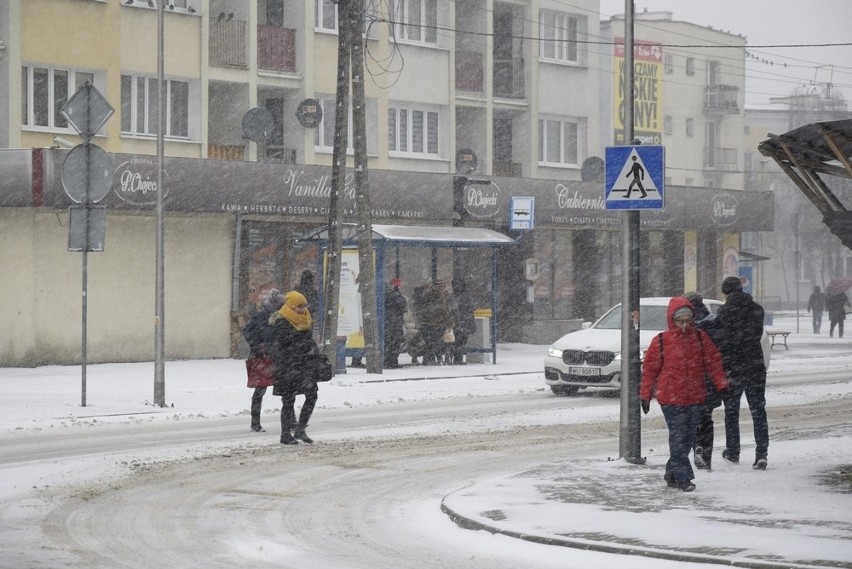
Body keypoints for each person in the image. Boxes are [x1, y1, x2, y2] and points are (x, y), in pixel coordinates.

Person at [640, 297, 728, 492]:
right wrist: (645, 395)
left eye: (688, 320)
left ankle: (671, 473)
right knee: (678, 438)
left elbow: (714, 362)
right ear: (673, 320)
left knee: (687, 439)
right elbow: (650, 371)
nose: (684, 325)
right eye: (680, 320)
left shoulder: (700, 338)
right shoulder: (661, 341)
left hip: (695, 397)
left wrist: (721, 384)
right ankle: (683, 477)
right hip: (670, 399)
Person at [716, 276, 769, 470]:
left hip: (733, 367)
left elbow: (723, 341)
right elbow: (754, 335)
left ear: (725, 292)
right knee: (758, 411)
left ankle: (733, 450)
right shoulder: (757, 309)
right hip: (755, 366)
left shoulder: (723, 312)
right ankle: (761, 453)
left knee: (732, 412)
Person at [269, 291, 320, 445]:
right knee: (288, 401)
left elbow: (306, 340)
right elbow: (283, 344)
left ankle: (300, 429)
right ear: (291, 306)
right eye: (299, 306)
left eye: (304, 305)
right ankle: (285, 435)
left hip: (304, 365)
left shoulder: (305, 319)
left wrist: (311, 347)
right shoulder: (282, 321)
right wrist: (303, 345)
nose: (303, 309)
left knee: (312, 395)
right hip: (287, 367)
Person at [683, 291, 725, 470]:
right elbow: (720, 352)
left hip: (692, 379)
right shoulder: (714, 322)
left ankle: (697, 446)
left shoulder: (688, 325)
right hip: (710, 380)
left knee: (692, 418)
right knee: (706, 418)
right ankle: (706, 456)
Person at [242, 289, 285, 432]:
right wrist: (259, 346)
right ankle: (256, 422)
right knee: (263, 390)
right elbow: (248, 331)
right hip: (264, 358)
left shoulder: (280, 317)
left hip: (274, 357)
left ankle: (257, 422)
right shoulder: (264, 317)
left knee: (270, 390)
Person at [417, 279, 455, 365]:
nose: (441, 288)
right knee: (436, 342)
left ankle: (429, 359)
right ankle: (435, 358)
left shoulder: (427, 294)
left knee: (430, 342)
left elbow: (421, 308)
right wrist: (450, 322)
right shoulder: (442, 296)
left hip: (428, 322)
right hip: (437, 323)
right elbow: (446, 310)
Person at [449, 277, 476, 365]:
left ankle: (456, 357)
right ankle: (458, 358)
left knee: (458, 341)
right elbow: (472, 308)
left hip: (459, 322)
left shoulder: (453, 295)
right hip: (464, 322)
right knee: (461, 341)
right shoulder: (465, 296)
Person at [383, 278, 407, 368]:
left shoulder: (386, 296)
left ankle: (389, 361)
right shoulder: (397, 297)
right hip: (395, 323)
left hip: (389, 323)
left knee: (389, 343)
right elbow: (403, 308)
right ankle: (392, 361)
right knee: (395, 343)